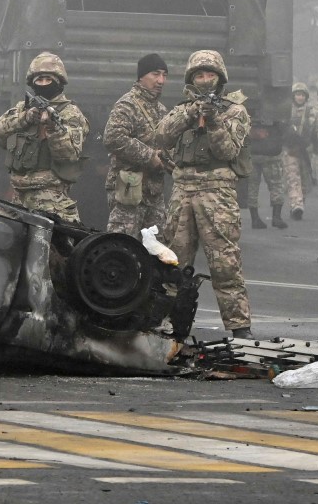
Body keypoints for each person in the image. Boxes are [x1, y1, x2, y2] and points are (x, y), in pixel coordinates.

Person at [156, 50, 255, 339]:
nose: (204, 79)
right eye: (199, 75)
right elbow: (161, 136)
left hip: (217, 191)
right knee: (174, 262)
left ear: (220, 77)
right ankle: (171, 325)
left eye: (210, 74)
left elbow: (227, 151)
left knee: (225, 261)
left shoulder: (235, 110)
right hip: (183, 191)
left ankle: (239, 326)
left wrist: (212, 121)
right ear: (191, 79)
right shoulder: (182, 108)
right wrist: (190, 114)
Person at [0, 52, 89, 224]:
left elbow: (70, 153)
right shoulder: (23, 108)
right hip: (18, 199)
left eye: (48, 79)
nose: (43, 84)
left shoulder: (70, 113)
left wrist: (52, 128)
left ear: (58, 82)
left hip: (51, 200)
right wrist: (24, 119)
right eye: (39, 80)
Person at [103, 53, 171, 239]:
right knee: (123, 247)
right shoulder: (127, 105)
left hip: (154, 193)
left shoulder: (161, 110)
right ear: (141, 76)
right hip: (128, 190)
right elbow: (113, 138)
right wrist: (149, 156)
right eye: (155, 74)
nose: (161, 80)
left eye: (164, 75)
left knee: (156, 251)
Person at [282, 82, 318, 220]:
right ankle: (296, 205)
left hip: (306, 152)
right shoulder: (286, 112)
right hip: (290, 150)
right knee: (293, 178)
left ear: (306, 96)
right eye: (297, 94)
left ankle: (299, 203)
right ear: (293, 96)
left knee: (305, 182)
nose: (300, 97)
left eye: (302, 95)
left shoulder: (312, 112)